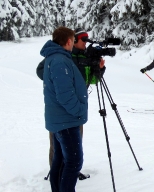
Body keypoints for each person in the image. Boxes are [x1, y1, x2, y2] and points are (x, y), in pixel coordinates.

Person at [36, 28, 105, 180]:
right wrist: (63, 78)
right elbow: (42, 71)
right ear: (72, 41)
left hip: (74, 109)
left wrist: (99, 69)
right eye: (82, 40)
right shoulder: (60, 56)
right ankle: (59, 173)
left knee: (75, 143)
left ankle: (71, 172)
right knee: (57, 147)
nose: (85, 44)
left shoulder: (84, 56)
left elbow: (92, 80)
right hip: (63, 109)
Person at [40, 26, 88, 192]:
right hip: (66, 121)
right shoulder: (60, 61)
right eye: (74, 40)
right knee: (74, 162)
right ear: (68, 41)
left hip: (60, 120)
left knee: (60, 161)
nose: (74, 43)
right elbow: (65, 95)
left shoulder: (55, 58)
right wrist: (79, 110)